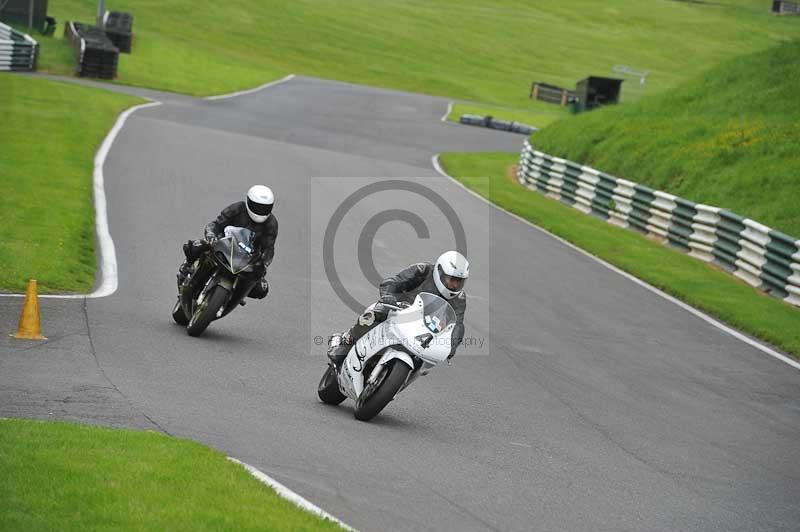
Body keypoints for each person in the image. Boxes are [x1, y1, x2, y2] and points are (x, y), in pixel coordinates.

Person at [328, 251, 469, 367]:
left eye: (459, 281)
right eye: (452, 279)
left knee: (425, 363)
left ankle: (397, 381)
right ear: (440, 272)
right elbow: (394, 282)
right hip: (398, 310)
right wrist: (388, 296)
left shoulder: (460, 298)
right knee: (374, 313)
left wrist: (452, 345)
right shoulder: (423, 270)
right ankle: (345, 343)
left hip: (424, 328)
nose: (455, 285)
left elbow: (457, 324)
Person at [178, 185, 278, 300]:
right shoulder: (237, 208)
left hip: (247, 259)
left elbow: (269, 248)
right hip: (223, 245)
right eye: (257, 206)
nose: (260, 211)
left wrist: (264, 263)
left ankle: (235, 296)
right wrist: (211, 235)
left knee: (262, 289)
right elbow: (216, 224)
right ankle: (187, 267)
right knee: (195, 246)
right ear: (248, 201)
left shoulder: (271, 223)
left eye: (264, 208)